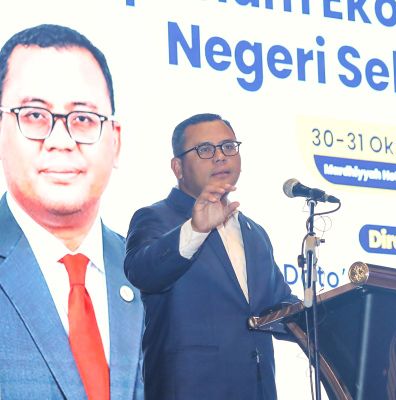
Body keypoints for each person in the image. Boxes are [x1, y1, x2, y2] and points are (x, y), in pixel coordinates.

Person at [0, 24, 143, 399]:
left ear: (115, 141)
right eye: (34, 115)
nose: (61, 141)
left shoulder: (154, 279)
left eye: (82, 119)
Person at [124, 113, 297, 400]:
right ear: (178, 167)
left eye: (228, 146)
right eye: (205, 149)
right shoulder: (156, 218)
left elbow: (278, 306)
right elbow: (142, 273)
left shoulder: (254, 232)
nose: (220, 156)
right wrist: (195, 229)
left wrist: (332, 313)